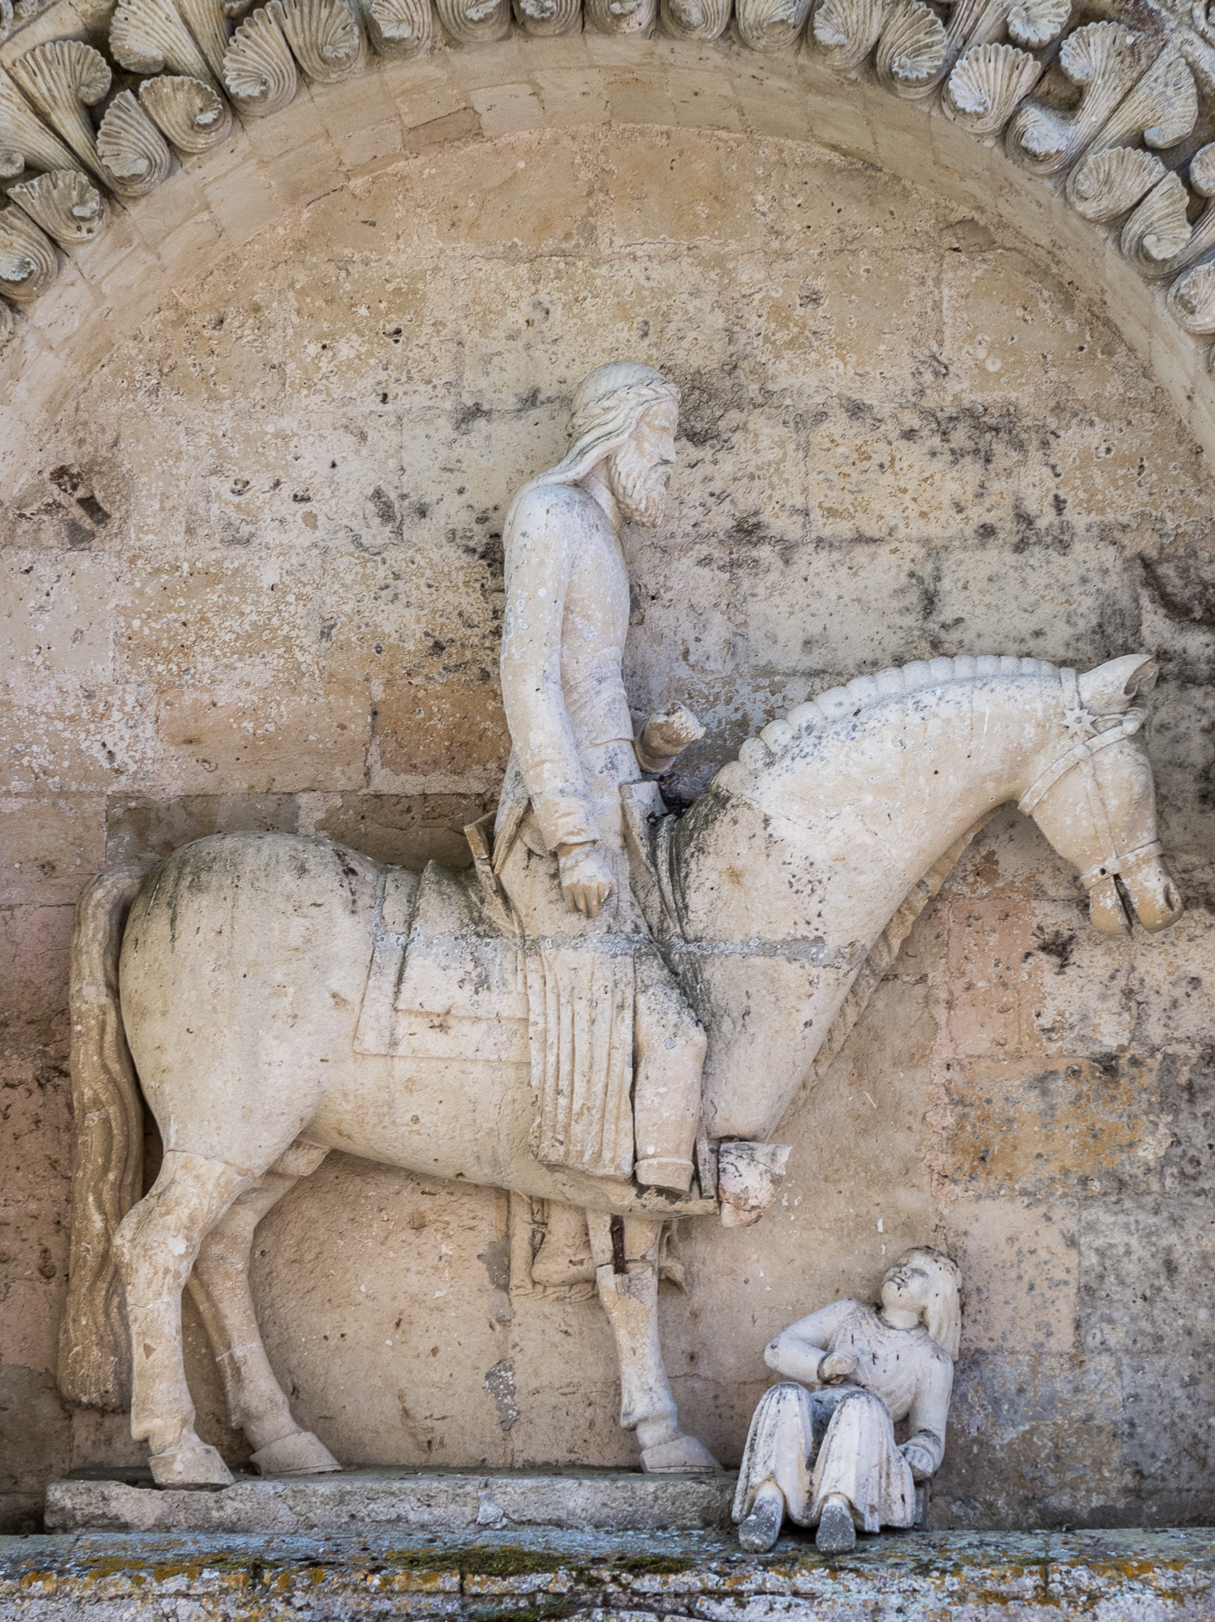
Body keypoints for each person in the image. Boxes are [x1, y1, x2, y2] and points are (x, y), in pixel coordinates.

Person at [489, 360, 708, 1193]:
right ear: (616, 433)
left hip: (621, 810)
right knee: (646, 1025)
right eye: (664, 436)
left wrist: (647, 749)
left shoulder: (600, 533)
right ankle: (609, 1199)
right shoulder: (551, 513)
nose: (674, 457)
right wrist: (571, 833)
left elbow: (587, 690)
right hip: (567, 826)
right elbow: (530, 674)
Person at [734, 1248, 962, 1554]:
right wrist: (823, 1365)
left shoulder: (932, 1359)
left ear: (935, 1298)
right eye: (901, 1263)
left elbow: (929, 1434)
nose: (903, 1270)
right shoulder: (849, 1313)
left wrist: (922, 1453)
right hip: (819, 1412)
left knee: (860, 1405)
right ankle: (768, 1500)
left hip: (866, 1434)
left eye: (918, 1271)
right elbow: (778, 1348)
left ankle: (839, 1506)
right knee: (783, 1395)